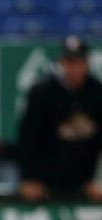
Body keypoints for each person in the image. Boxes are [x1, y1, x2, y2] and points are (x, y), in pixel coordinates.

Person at [19, 35, 102, 201]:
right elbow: (28, 137)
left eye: (80, 61)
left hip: (86, 182)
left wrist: (99, 179)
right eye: (70, 61)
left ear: (87, 62)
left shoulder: (97, 92)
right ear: (61, 62)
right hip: (46, 182)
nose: (75, 67)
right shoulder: (42, 92)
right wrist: (29, 178)